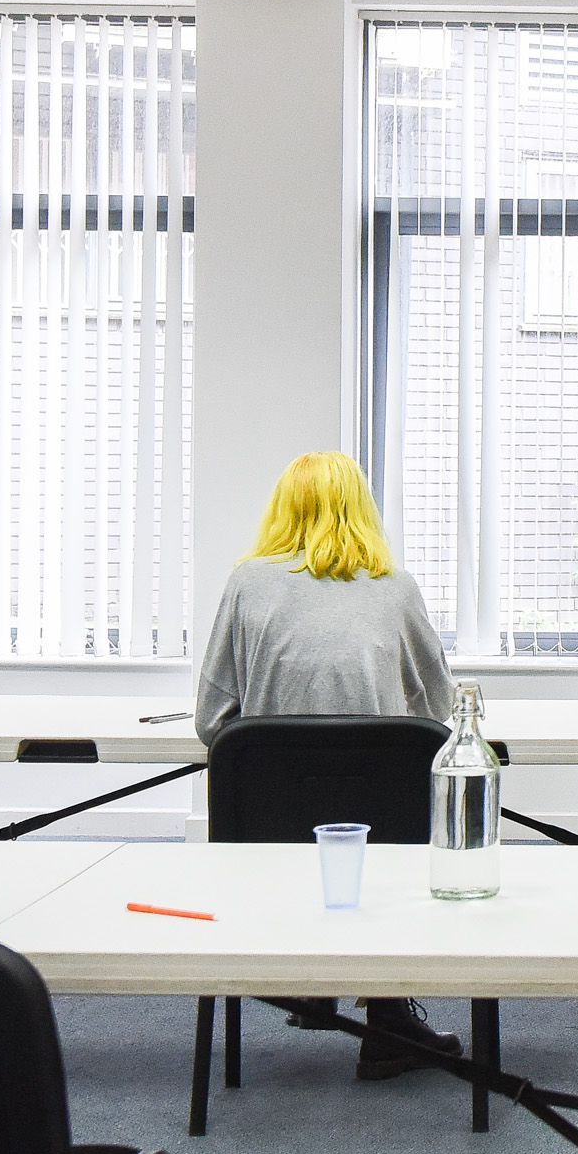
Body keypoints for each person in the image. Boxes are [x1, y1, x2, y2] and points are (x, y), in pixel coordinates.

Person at [193, 450, 462, 1081]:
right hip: (383, 833)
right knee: (383, 805)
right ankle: (388, 1021)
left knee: (299, 811)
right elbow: (439, 710)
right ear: (361, 510)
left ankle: (307, 978)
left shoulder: (245, 583)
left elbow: (211, 721)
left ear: (282, 510)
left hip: (269, 830)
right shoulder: (395, 587)